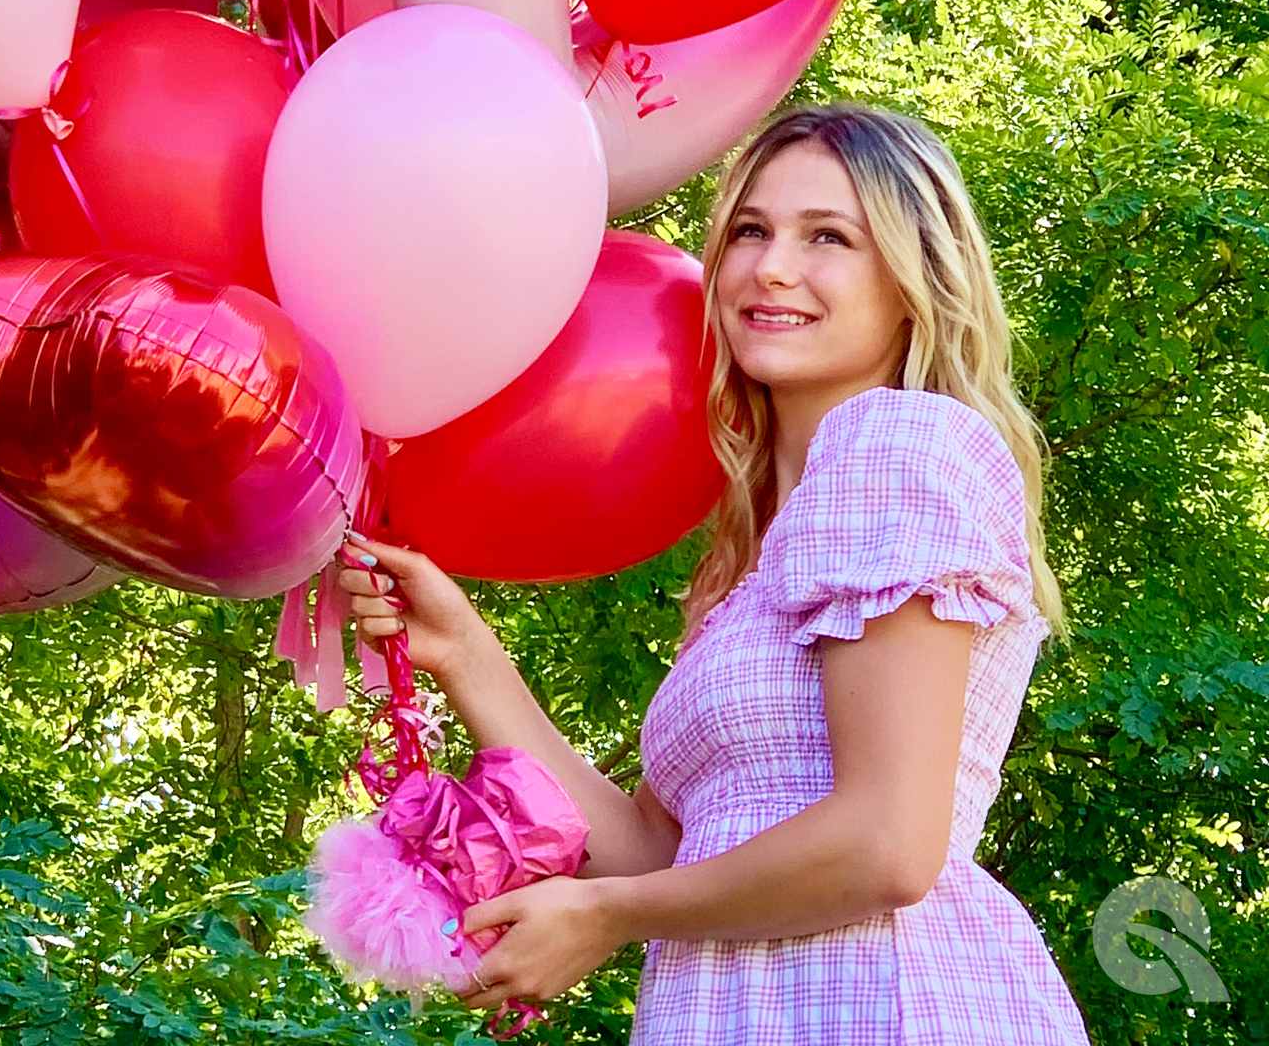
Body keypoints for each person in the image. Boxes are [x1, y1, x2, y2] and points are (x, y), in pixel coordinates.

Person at [337, 101, 1091, 1042]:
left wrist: (608, 919)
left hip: (880, 998)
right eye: (749, 230)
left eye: (829, 237)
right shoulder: (756, 561)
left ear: (911, 283)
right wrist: (461, 651)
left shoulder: (899, 444)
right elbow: (655, 850)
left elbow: (890, 845)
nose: (772, 266)